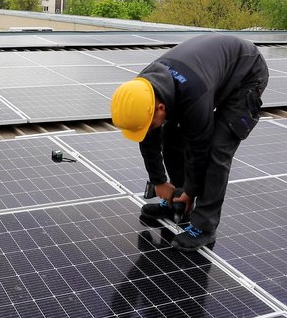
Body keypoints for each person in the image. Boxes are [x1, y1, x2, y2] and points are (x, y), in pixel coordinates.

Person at [110, 34, 268, 252]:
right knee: (170, 136)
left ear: (160, 108)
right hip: (207, 73)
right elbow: (148, 137)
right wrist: (159, 181)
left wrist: (192, 191)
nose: (146, 130)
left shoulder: (193, 96)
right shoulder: (143, 88)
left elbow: (198, 149)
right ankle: (177, 200)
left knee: (217, 150)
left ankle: (204, 226)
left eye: (149, 122)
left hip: (246, 74)